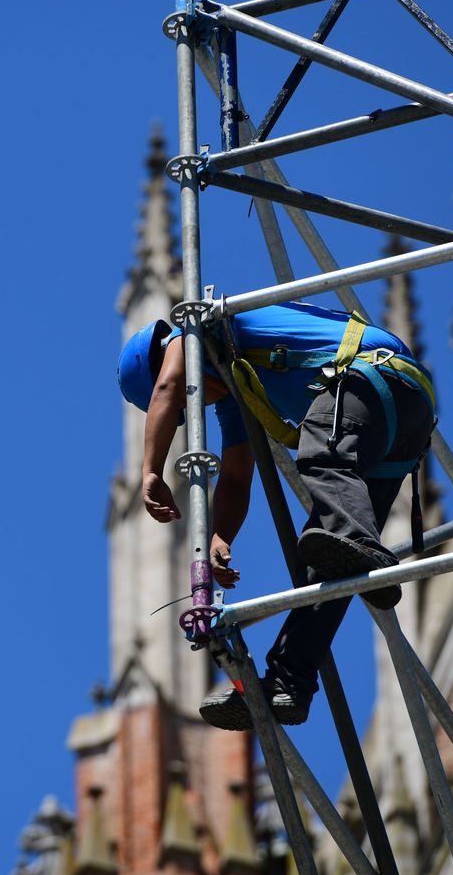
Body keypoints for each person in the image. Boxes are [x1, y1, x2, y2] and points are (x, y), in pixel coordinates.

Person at [117, 300, 435, 731]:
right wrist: (219, 536)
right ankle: (289, 682)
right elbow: (235, 478)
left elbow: (167, 387)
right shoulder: (236, 391)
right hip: (400, 430)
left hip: (374, 377)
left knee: (321, 455)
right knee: (323, 574)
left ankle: (365, 549)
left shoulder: (194, 332)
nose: (194, 409)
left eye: (184, 408)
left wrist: (151, 471)